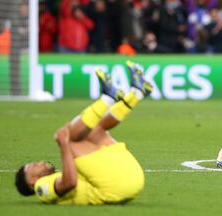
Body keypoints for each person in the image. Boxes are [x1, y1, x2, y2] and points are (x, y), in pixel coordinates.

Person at [15, 61, 153, 205]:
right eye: (34, 166)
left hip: (132, 182)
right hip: (116, 188)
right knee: (66, 138)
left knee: (95, 131)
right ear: (31, 181)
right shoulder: (41, 188)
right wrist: (64, 145)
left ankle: (135, 93)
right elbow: (69, 183)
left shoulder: (57, 179)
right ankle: (109, 98)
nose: (40, 163)